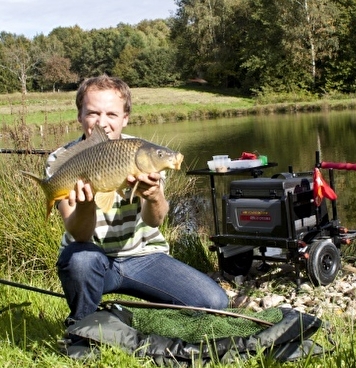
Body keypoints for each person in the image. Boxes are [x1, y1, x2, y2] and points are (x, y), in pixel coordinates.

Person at [48, 75, 228, 326]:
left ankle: (130, 315)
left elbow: (154, 221)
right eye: (92, 114)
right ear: (79, 116)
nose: (103, 123)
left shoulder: (144, 153)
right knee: (79, 260)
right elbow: (78, 235)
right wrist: (88, 202)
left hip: (144, 258)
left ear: (125, 117)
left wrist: (153, 195)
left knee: (215, 303)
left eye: (111, 114)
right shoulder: (62, 160)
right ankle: (83, 328)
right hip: (92, 258)